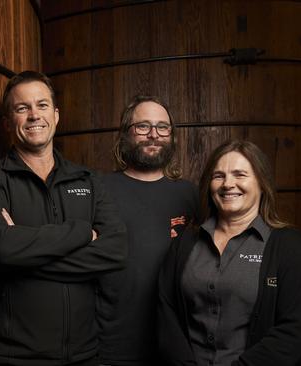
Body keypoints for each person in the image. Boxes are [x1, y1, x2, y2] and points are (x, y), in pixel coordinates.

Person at [0, 70, 127, 365]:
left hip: (83, 356)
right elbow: (2, 247)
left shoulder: (88, 179)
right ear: (6, 123)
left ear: (56, 116)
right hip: (11, 358)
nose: (33, 116)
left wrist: (23, 260)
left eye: (41, 105)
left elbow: (115, 251)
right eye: (21, 108)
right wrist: (82, 233)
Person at [158, 140, 301, 366]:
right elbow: (165, 311)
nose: (228, 184)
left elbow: (295, 329)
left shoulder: (289, 246)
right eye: (219, 176)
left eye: (240, 174)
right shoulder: (186, 241)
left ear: (262, 183)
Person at [96, 96, 198, 366]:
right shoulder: (98, 189)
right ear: (125, 133)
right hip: (111, 347)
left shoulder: (190, 195)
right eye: (143, 126)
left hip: (177, 346)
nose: (154, 134)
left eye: (163, 127)